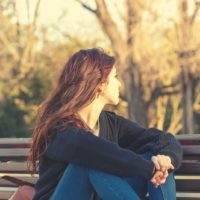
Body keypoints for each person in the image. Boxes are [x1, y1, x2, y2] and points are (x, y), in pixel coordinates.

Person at [29, 48, 183, 200]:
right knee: (88, 163)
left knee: (156, 157)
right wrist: (148, 169)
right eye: (115, 77)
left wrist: (166, 160)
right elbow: (92, 150)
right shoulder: (59, 129)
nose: (119, 84)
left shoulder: (110, 123)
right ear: (100, 84)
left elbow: (161, 138)